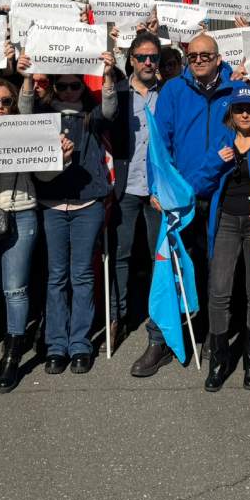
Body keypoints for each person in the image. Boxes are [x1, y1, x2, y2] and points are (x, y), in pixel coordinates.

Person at [139, 33, 236, 374]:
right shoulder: (173, 91)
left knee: (215, 270)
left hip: (221, 194)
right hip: (180, 198)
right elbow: (159, 145)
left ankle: (212, 334)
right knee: (170, 267)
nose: (198, 60)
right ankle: (160, 339)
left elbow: (239, 137)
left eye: (205, 55)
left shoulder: (234, 88)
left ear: (218, 58)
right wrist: (156, 187)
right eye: (192, 55)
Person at [20, 52, 116, 375]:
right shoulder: (44, 112)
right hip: (51, 205)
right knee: (56, 277)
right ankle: (55, 345)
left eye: (75, 85)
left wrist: (107, 74)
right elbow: (23, 109)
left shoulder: (91, 114)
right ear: (55, 88)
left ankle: (80, 344)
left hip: (87, 204)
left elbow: (111, 109)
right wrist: (28, 76)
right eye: (63, 86)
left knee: (82, 275)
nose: (69, 91)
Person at [191, 84, 250, 392]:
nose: (244, 113)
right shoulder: (221, 142)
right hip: (226, 223)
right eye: (238, 109)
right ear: (231, 113)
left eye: (249, 108)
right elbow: (199, 186)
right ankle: (218, 363)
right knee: (219, 292)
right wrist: (216, 163)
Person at [0, 78, 57, 392]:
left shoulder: (28, 131)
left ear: (15, 105)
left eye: (6, 102)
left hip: (22, 213)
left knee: (16, 290)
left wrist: (60, 157)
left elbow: (44, 175)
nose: (0, 107)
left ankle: (11, 358)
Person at [108, 33, 164, 359]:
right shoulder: (115, 93)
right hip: (125, 186)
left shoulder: (168, 94)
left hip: (158, 190)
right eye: (141, 57)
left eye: (153, 58)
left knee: (160, 259)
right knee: (120, 255)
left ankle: (158, 325)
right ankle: (118, 316)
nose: (147, 63)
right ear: (130, 59)